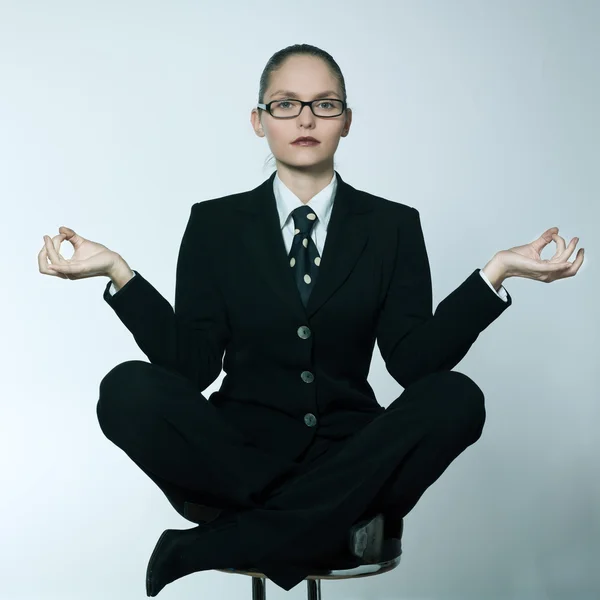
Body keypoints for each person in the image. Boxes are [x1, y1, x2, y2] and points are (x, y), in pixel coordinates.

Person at [39, 43, 584, 597]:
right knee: (126, 388)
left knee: (456, 397)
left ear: (346, 121)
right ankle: (316, 524)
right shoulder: (214, 224)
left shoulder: (392, 225)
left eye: (325, 105)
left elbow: (416, 364)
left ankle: (224, 539)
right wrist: (118, 272)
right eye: (285, 104)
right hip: (239, 458)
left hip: (352, 453)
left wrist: (495, 275)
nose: (305, 118)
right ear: (259, 121)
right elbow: (192, 365)